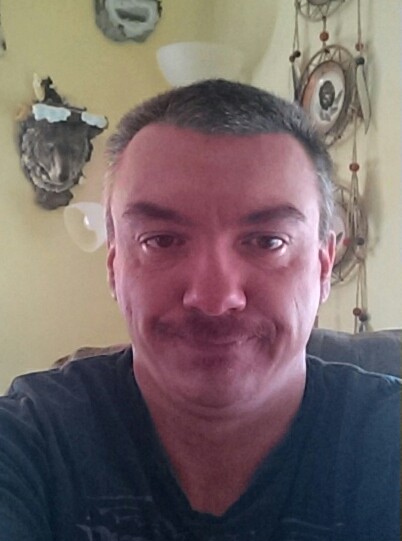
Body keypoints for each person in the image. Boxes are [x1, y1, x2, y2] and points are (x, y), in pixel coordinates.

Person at [0, 79, 399, 541]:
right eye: (161, 240)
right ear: (114, 266)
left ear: (324, 266)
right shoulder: (32, 440)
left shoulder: (387, 438)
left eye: (267, 242)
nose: (214, 298)